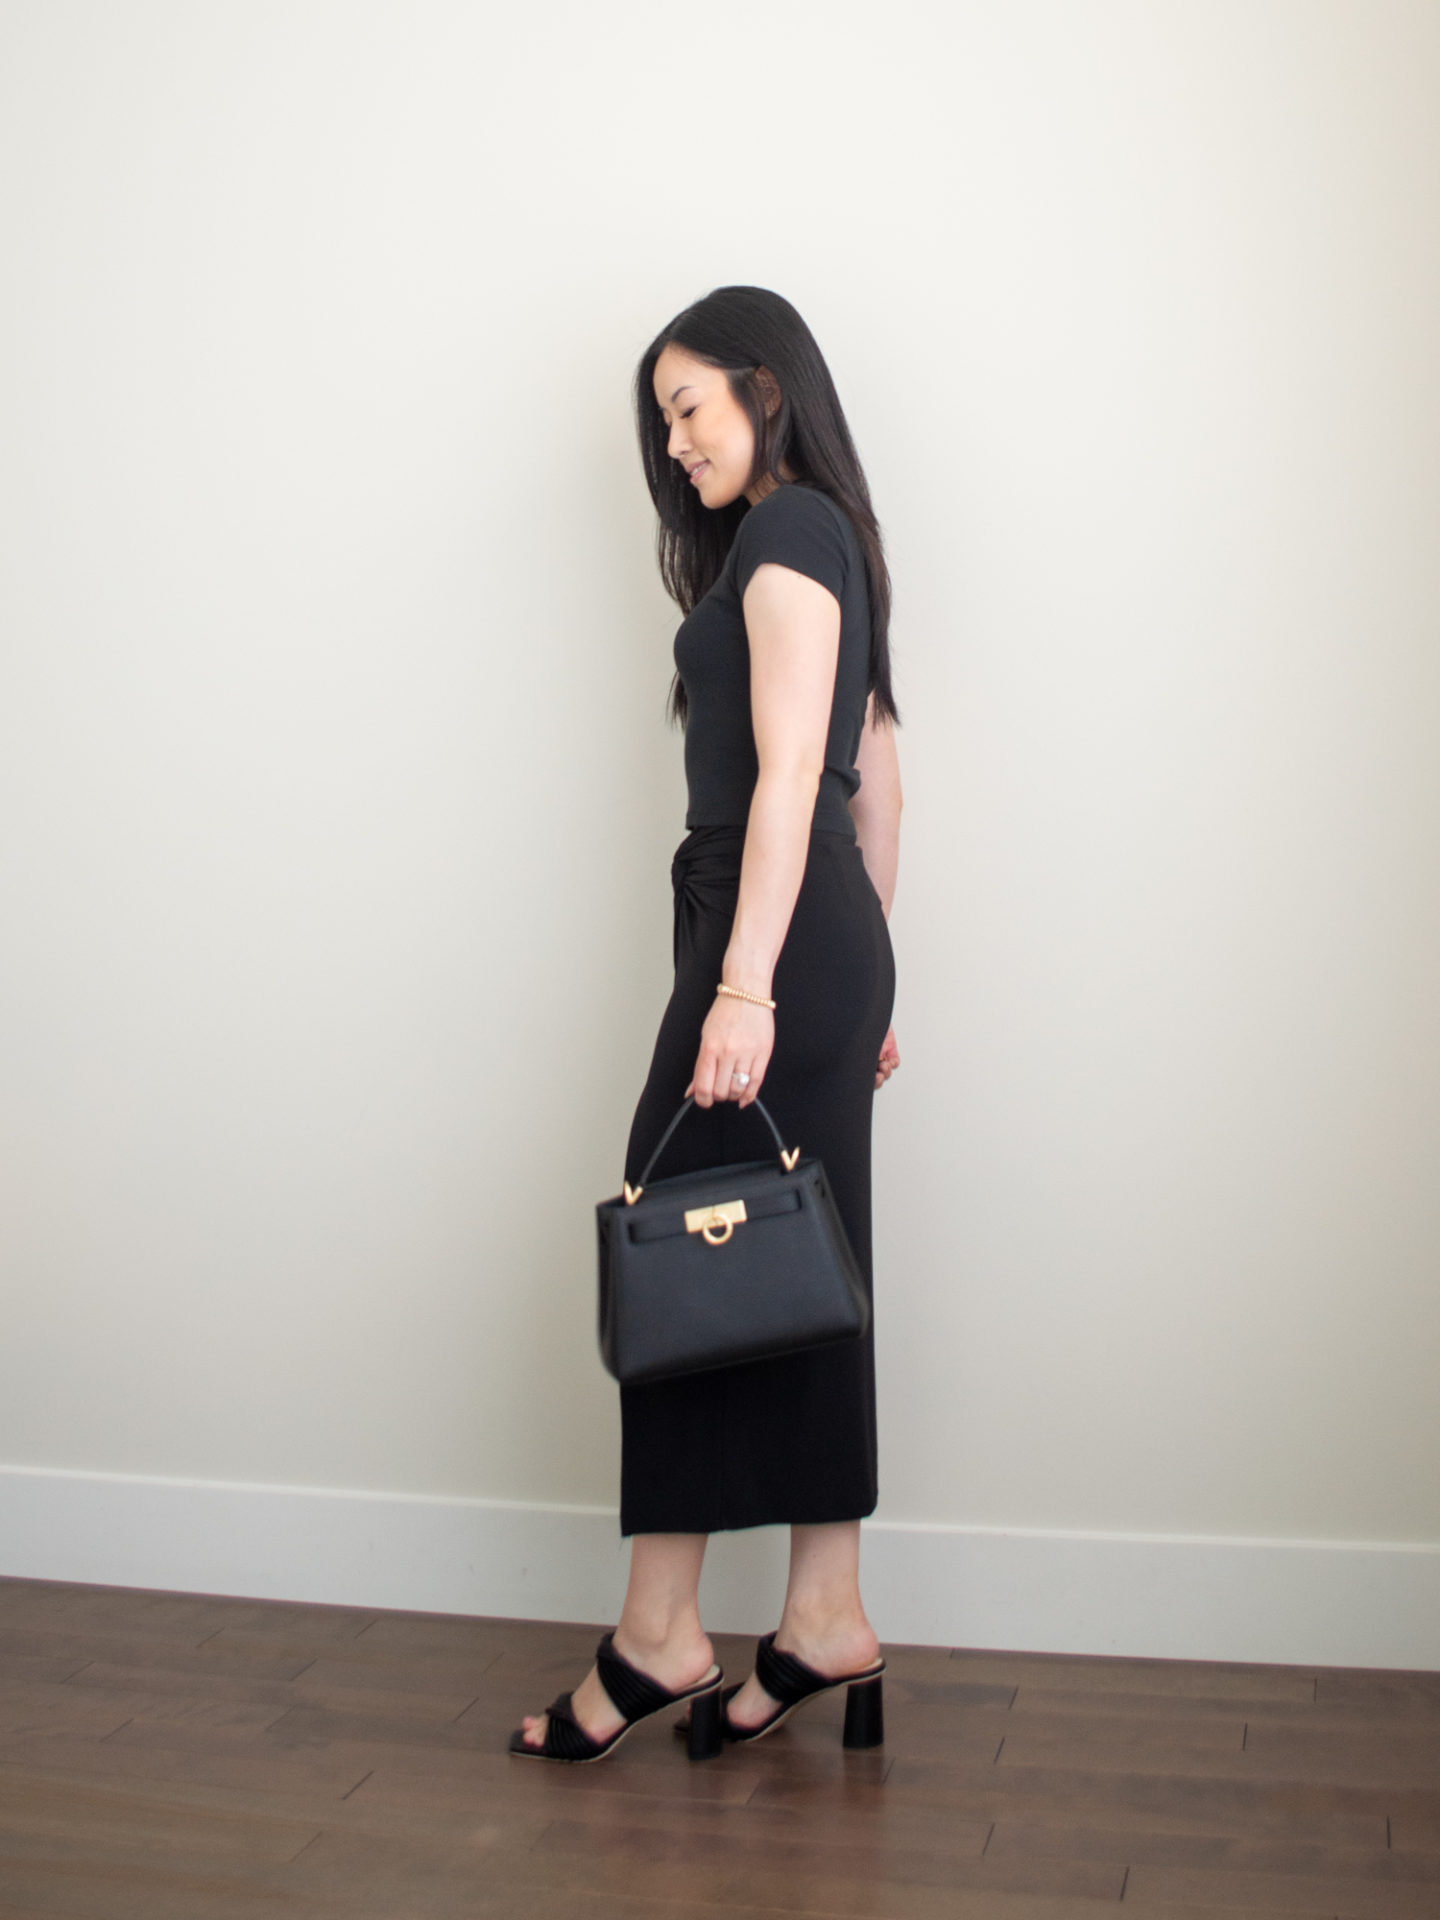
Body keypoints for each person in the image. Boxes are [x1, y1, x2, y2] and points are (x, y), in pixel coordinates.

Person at [510, 285, 902, 1764]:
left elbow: (804, 770)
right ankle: (822, 1615)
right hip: (808, 932)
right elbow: (885, 769)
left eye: (689, 408)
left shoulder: (793, 531)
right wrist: (875, 973)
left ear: (767, 387)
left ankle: (662, 1634)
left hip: (773, 928)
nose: (673, 443)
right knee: (809, 1254)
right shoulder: (818, 543)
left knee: (678, 1238)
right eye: (660, 423)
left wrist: (751, 988)